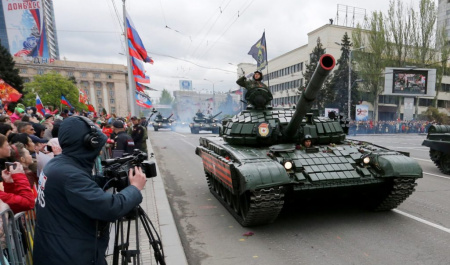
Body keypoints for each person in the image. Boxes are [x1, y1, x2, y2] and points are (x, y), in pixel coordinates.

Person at [33, 116, 147, 265]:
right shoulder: (69, 175)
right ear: (88, 144)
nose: (99, 153)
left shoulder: (57, 164)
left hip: (57, 250)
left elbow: (82, 186)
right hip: (70, 256)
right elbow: (110, 208)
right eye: (97, 148)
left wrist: (106, 178)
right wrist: (134, 188)